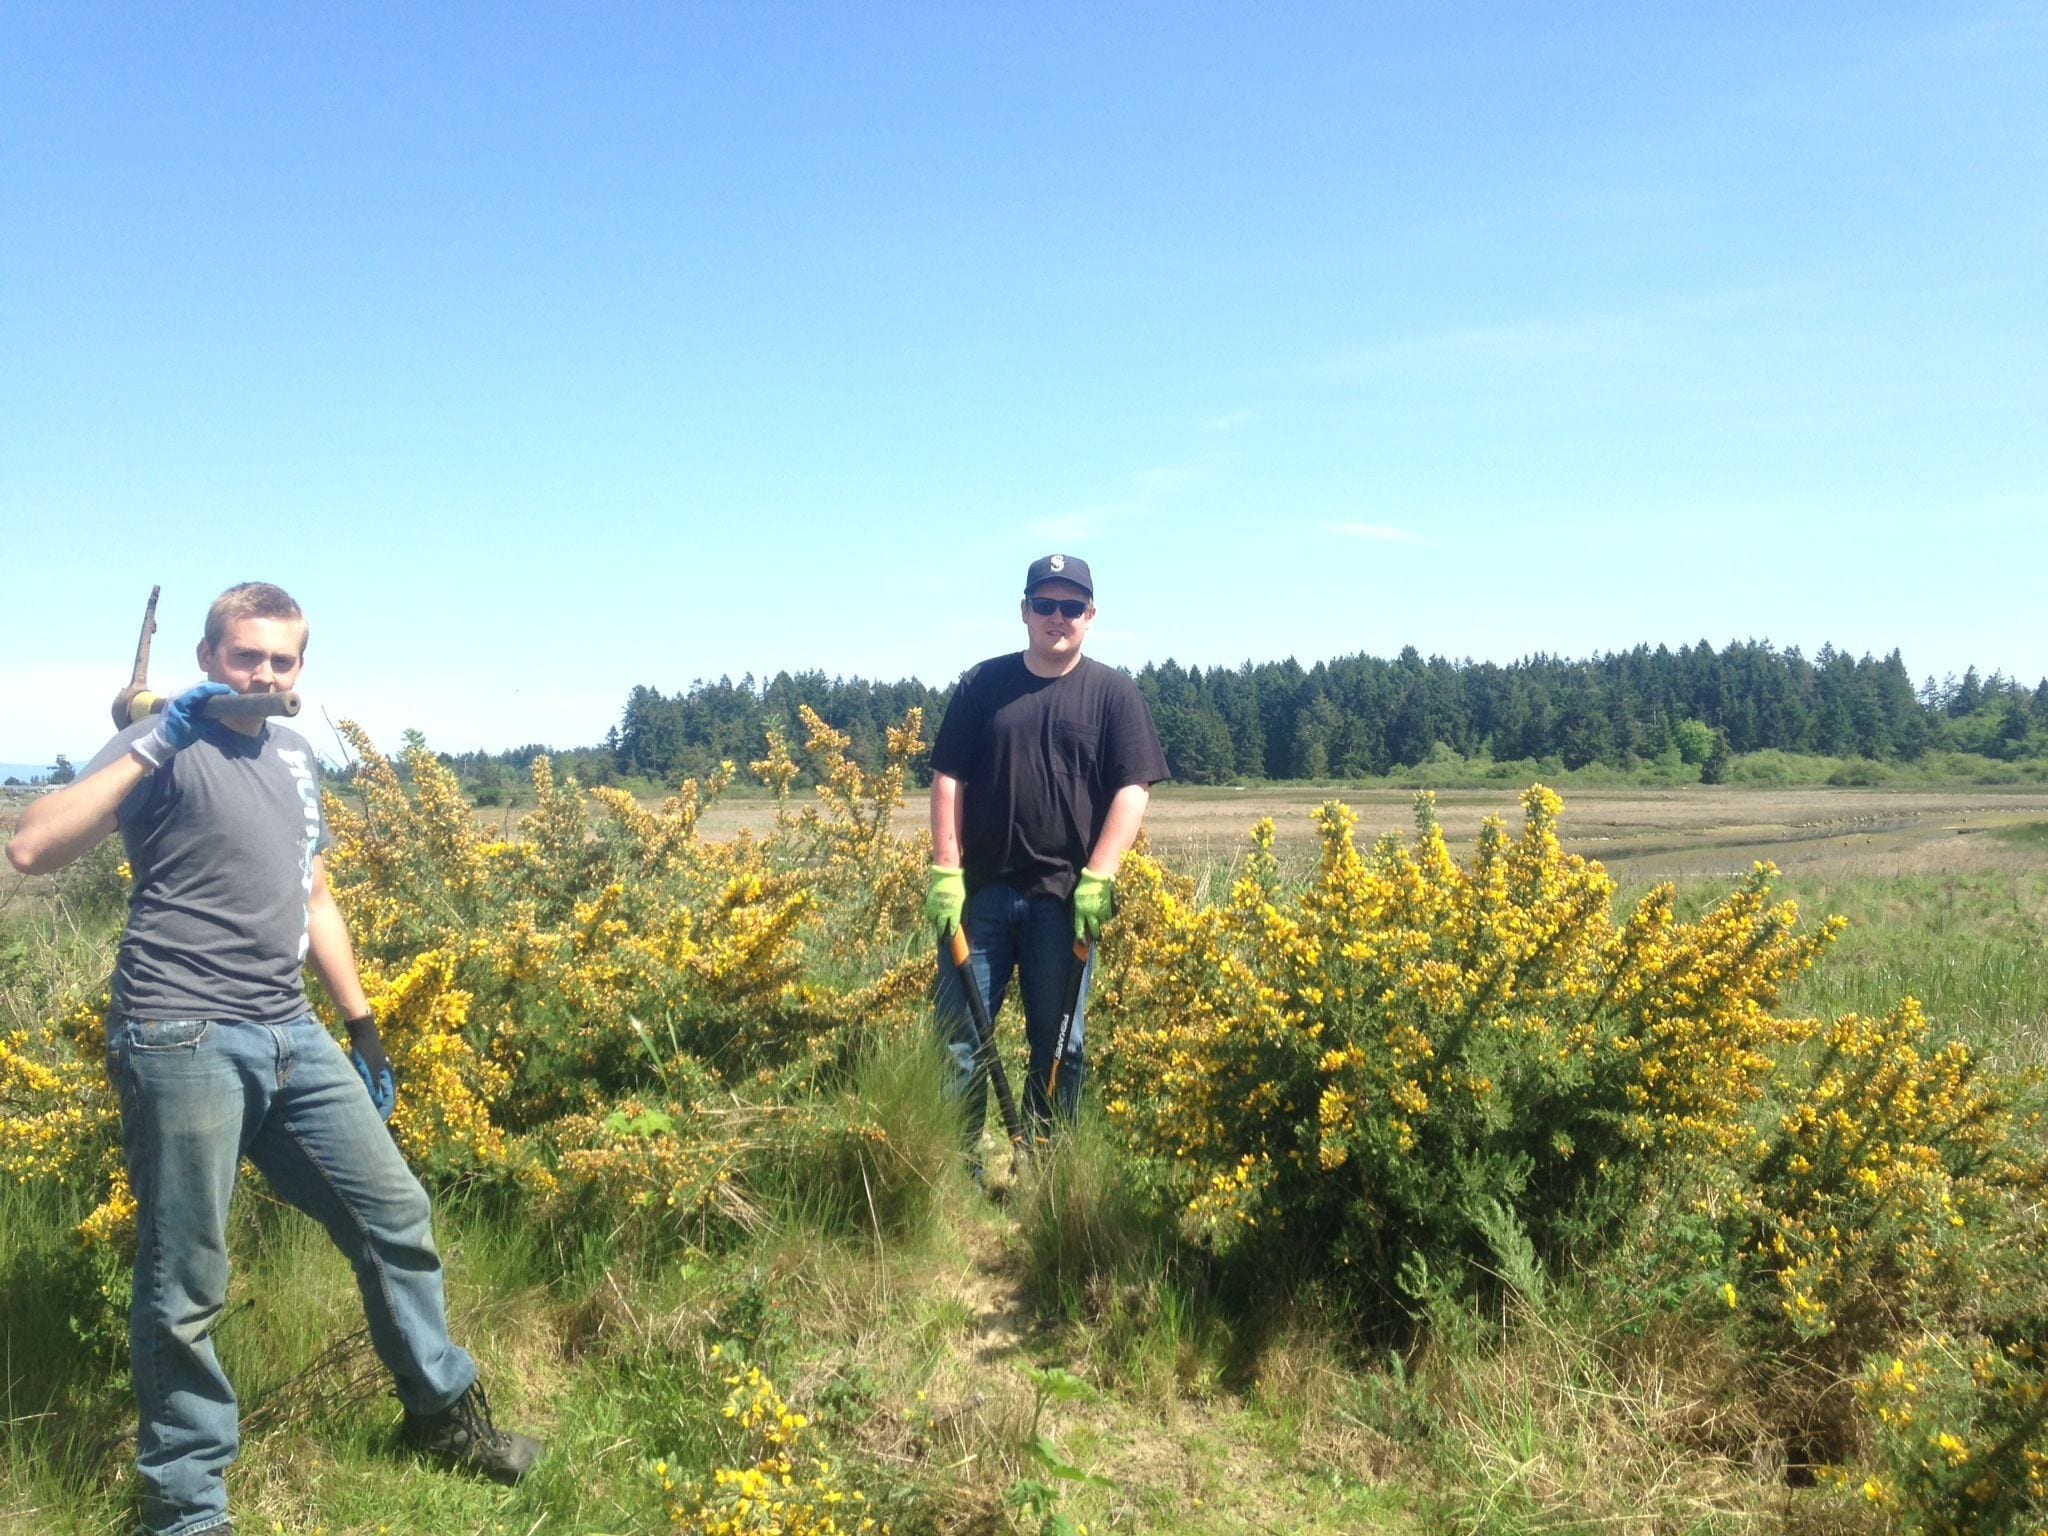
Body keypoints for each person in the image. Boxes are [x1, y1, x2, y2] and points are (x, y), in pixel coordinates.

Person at [5, 582, 540, 1536]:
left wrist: (364, 1021)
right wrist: (161, 735)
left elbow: (315, 894)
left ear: (301, 670)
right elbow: (35, 849)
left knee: (395, 1216)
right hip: (181, 1033)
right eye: (244, 656)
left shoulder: (294, 753)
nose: (262, 673)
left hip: (291, 1030)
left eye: (280, 660)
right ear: (209, 659)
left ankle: (440, 1419)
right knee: (187, 1282)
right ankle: (184, 1507)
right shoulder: (161, 741)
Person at [924, 554, 1168, 1159]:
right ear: (1024, 610)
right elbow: (948, 777)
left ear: (1090, 615)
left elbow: (1132, 789)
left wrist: (1100, 875)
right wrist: (945, 871)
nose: (1056, 618)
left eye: (1070, 607)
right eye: (1044, 605)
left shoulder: (1114, 694)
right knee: (959, 1036)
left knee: (1061, 1044)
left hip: (1063, 902)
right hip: (980, 895)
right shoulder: (982, 684)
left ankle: (1047, 1170)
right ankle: (956, 1175)